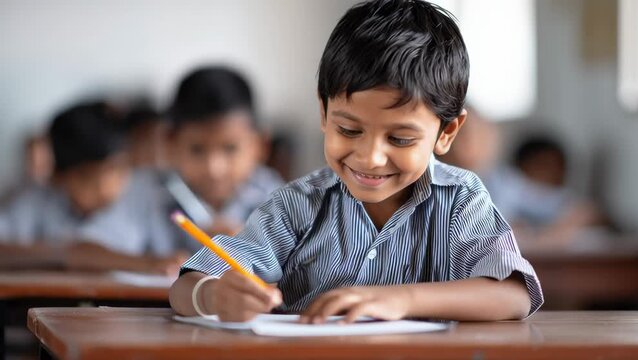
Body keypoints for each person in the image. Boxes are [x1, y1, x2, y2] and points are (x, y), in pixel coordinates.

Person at [169, 0, 543, 323]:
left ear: (447, 132)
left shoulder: (460, 200)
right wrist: (214, 296)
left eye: (400, 138)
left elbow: (514, 294)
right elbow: (185, 287)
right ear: (324, 112)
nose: (370, 157)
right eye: (348, 130)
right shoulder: (296, 207)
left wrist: (401, 299)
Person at [0, 101, 187, 274]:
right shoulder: (35, 199)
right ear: (58, 177)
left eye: (116, 169)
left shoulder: (147, 193)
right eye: (86, 176)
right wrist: (66, 254)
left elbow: (172, 256)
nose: (105, 187)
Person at [163, 66, 284, 252]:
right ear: (171, 144)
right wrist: (152, 264)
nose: (214, 169)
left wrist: (251, 247)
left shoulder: (278, 198)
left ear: (260, 146)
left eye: (230, 149)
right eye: (197, 149)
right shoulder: (147, 193)